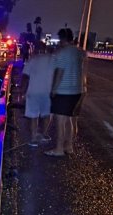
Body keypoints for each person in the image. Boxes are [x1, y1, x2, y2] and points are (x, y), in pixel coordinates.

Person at [44, 28, 86, 157]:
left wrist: (53, 89)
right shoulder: (81, 52)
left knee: (60, 121)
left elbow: (59, 73)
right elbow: (83, 71)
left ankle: (58, 149)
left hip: (63, 91)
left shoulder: (61, 52)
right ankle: (69, 146)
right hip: (77, 90)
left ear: (62, 39)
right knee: (69, 120)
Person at [22, 45, 54, 146]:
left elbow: (25, 76)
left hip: (33, 92)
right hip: (48, 92)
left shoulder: (32, 59)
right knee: (46, 114)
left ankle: (33, 138)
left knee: (33, 115)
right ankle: (43, 135)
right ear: (45, 49)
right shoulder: (52, 59)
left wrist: (22, 91)